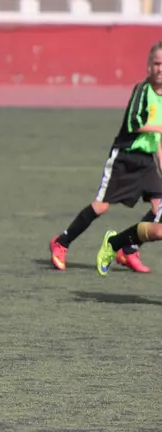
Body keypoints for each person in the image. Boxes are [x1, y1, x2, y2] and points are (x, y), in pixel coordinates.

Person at [50, 40, 162, 274]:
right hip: (125, 159)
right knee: (101, 207)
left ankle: (128, 249)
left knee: (158, 207)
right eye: (156, 63)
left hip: (147, 161)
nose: (160, 69)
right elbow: (134, 124)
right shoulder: (143, 90)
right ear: (148, 66)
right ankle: (62, 241)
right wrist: (159, 128)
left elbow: (158, 139)